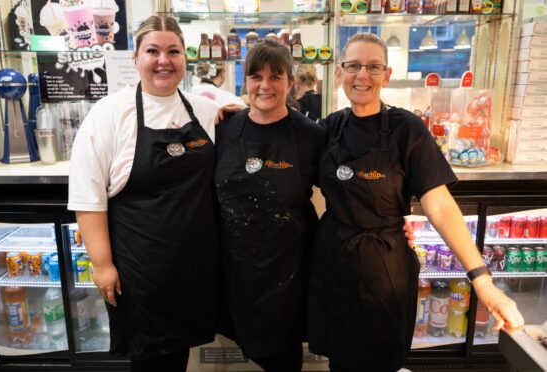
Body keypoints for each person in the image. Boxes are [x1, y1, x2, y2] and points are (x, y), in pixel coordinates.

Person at [307, 32, 524, 372]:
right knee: (340, 361)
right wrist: (235, 115)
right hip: (334, 264)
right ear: (339, 72)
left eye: (373, 67)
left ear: (386, 75)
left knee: (379, 360)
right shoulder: (330, 127)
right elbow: (286, 146)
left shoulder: (406, 129)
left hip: (384, 269)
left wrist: (482, 280)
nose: (362, 75)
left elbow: (439, 205)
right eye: (353, 66)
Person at [67, 15, 220, 372]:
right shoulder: (108, 114)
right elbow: (88, 198)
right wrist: (103, 266)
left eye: (173, 51)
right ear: (136, 57)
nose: (163, 60)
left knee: (177, 357)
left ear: (185, 58)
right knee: (151, 360)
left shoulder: (206, 110)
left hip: (193, 267)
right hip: (140, 269)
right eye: (152, 51)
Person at [214, 38, 327, 372]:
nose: (265, 85)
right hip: (235, 269)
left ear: (290, 83)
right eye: (256, 76)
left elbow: (343, 191)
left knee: (283, 357)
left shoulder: (310, 136)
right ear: (245, 81)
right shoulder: (225, 128)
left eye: (275, 76)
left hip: (287, 273)